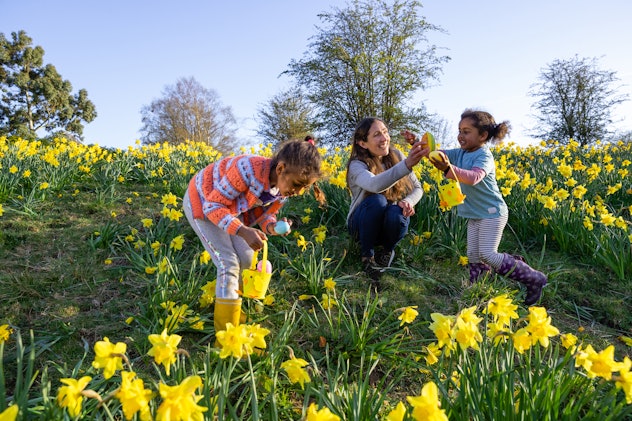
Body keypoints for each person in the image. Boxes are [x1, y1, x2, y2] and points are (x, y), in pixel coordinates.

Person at [183, 139, 323, 343]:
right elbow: (213, 206)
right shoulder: (247, 170)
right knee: (228, 263)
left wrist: (273, 227)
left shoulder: (282, 191)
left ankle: (236, 312)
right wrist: (241, 230)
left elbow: (263, 216)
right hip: (204, 201)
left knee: (247, 258)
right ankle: (226, 337)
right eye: (297, 185)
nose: (298, 192)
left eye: (304, 188)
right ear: (281, 168)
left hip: (228, 209)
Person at [426, 109, 547, 305]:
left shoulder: (484, 156)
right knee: (474, 255)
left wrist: (448, 169)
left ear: (482, 136)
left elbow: (474, 178)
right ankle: (479, 293)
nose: (460, 135)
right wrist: (419, 144)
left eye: (466, 131)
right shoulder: (460, 153)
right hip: (475, 213)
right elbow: (437, 155)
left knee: (487, 254)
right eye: (459, 130)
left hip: (492, 213)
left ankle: (535, 279)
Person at [346, 117, 426, 288]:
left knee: (397, 211)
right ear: (363, 143)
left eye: (385, 132)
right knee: (377, 200)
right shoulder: (357, 165)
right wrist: (406, 165)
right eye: (376, 135)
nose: (384, 138)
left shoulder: (396, 155)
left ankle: (387, 251)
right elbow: (374, 185)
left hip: (387, 222)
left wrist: (408, 201)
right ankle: (367, 257)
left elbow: (417, 188)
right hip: (360, 224)